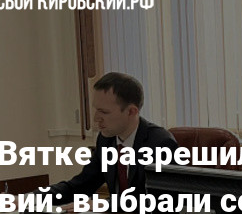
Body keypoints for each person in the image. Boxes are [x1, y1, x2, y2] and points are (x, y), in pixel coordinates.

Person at [45, 72, 178, 205]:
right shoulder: (106, 140)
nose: (96, 118)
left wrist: (104, 204)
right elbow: (80, 186)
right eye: (96, 110)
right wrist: (36, 197)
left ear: (131, 111)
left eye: (104, 112)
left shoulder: (161, 143)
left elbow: (161, 201)